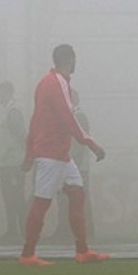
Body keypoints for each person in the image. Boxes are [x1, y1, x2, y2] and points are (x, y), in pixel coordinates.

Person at [19, 44, 108, 266]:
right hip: (52, 153)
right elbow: (68, 117)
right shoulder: (57, 82)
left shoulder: (44, 83)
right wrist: (91, 144)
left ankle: (82, 250)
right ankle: (27, 254)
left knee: (77, 194)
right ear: (70, 59)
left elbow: (35, 119)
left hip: (59, 153)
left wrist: (30, 151)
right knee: (42, 202)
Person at [57, 89, 94, 240]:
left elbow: (80, 143)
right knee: (67, 199)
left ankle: (83, 232)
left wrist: (75, 165)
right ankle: (66, 230)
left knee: (77, 199)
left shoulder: (78, 117)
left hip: (76, 166)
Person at [0, 80, 27, 242]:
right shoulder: (7, 111)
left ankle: (23, 230)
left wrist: (26, 155)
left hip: (13, 162)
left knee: (16, 196)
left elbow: (21, 135)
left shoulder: (13, 112)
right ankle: (13, 229)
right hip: (7, 162)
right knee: (9, 197)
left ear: (8, 92)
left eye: (1, 92)